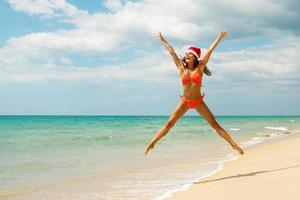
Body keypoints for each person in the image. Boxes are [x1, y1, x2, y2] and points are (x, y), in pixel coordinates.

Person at [144, 29, 244, 156]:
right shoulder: (181, 68)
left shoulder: (200, 68)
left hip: (198, 102)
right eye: (185, 54)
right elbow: (172, 52)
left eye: (189, 54)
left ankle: (233, 144)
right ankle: (152, 143)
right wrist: (163, 40)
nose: (186, 56)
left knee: (214, 124)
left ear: (195, 57)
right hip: (185, 101)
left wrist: (219, 37)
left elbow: (209, 51)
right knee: (169, 123)